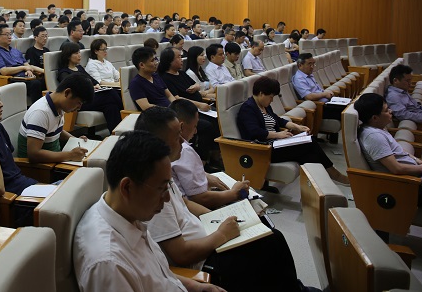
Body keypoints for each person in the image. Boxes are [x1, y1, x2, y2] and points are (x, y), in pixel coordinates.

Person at [136, 107, 306, 292]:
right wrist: (221, 234)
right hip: (204, 260)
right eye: (177, 137)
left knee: (269, 233)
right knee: (268, 244)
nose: (183, 141)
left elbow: (186, 204)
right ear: (157, 144)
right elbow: (181, 255)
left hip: (209, 238)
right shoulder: (153, 193)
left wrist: (221, 217)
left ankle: (294, 288)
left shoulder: (163, 173)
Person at [73, 130, 224, 292]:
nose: (167, 198)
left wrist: (195, 286)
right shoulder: (109, 264)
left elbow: (158, 275)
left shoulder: (127, 215)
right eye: (161, 188)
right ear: (127, 187)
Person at [237, 76, 349, 189]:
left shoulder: (264, 106)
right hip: (264, 149)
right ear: (261, 93)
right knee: (310, 143)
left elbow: (279, 120)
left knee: (308, 154)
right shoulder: (248, 108)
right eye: (271, 97)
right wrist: (278, 135)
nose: (272, 100)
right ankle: (333, 175)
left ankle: (319, 185)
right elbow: (255, 132)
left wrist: (297, 127)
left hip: (275, 144)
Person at [354, 93, 422, 206]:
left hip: (415, 174)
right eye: (386, 110)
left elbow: (400, 151)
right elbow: (396, 169)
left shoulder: (379, 128)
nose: (391, 111)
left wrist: (418, 161)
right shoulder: (374, 137)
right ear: (375, 118)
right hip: (407, 184)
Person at [169, 99, 247, 208]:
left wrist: (204, 175)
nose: (196, 131)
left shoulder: (163, 144)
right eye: (195, 126)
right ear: (181, 126)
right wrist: (235, 193)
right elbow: (200, 199)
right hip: (191, 210)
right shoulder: (183, 150)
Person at [16, 74, 93, 163]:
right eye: (79, 103)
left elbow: (54, 131)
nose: (79, 108)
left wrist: (75, 140)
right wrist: (70, 155)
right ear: (67, 93)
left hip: (53, 159)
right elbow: (34, 154)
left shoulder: (58, 106)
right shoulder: (41, 113)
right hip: (39, 168)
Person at [57, 42, 123, 133]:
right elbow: (74, 89)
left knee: (111, 106)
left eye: (79, 52)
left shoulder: (79, 68)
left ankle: (117, 134)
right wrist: (90, 87)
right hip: (78, 101)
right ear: (68, 56)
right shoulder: (64, 72)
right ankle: (126, 113)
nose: (79, 55)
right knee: (111, 93)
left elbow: (93, 81)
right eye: (76, 53)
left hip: (90, 96)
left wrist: (95, 85)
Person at [0, 23, 45, 103]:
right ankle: (36, 108)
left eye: (10, 34)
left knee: (45, 80)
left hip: (25, 77)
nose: (10, 37)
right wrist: (23, 68)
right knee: (35, 84)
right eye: (7, 34)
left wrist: (28, 70)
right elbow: (4, 71)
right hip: (12, 79)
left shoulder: (15, 51)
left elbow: (26, 64)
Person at [385, 64, 422, 141]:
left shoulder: (402, 90)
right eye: (407, 81)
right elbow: (403, 115)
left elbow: (417, 107)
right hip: (419, 126)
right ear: (395, 81)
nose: (410, 83)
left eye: (410, 80)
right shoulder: (393, 96)